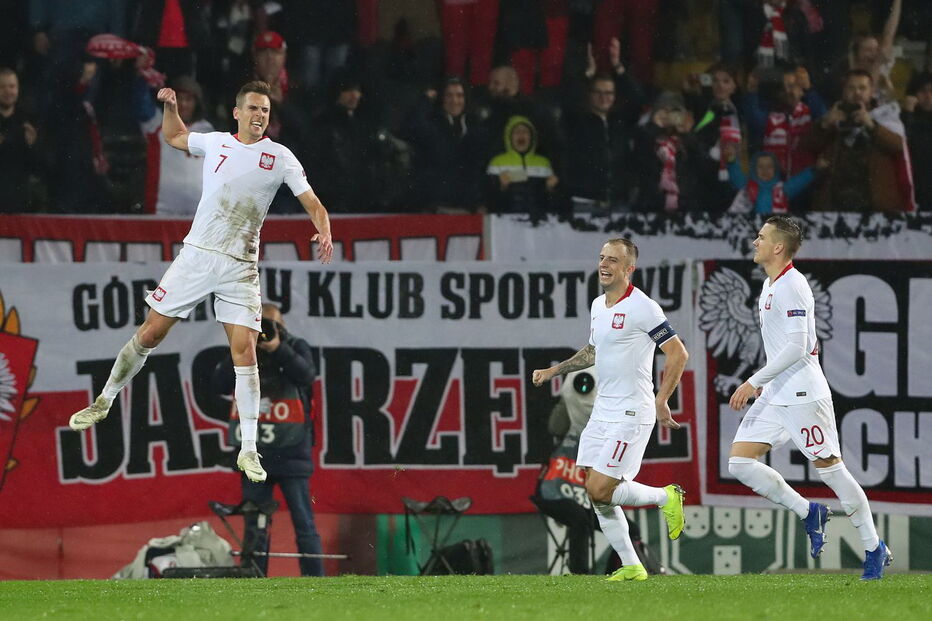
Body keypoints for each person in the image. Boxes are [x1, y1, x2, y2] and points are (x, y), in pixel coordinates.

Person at [68, 80, 334, 485]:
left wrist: (324, 229)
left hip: (240, 266)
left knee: (244, 350)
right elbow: (173, 135)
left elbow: (313, 202)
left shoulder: (280, 157)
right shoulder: (216, 143)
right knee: (151, 333)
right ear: (237, 112)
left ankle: (248, 449)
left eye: (265, 110)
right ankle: (104, 401)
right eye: (254, 109)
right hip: (198, 256)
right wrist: (171, 107)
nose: (260, 116)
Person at [727, 215, 891, 580]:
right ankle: (808, 512)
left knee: (832, 471)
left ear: (778, 247)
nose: (755, 241)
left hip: (802, 393)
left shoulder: (793, 285)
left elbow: (800, 346)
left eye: (761, 237)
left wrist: (753, 381)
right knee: (739, 464)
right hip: (776, 394)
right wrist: (764, 385)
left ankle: (873, 546)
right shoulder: (770, 285)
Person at [532, 238, 689, 582]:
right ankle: (632, 565)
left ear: (629, 268)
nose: (604, 265)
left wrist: (662, 399)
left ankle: (666, 496)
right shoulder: (598, 305)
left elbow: (678, 353)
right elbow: (592, 352)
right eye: (601, 258)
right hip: (603, 412)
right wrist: (553, 371)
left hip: (633, 412)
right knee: (596, 492)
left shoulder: (643, 308)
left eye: (613, 260)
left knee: (601, 489)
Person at [211, 303, 324, 576]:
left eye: (271, 326)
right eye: (258, 326)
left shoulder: (296, 346)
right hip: (254, 452)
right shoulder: (244, 349)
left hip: (292, 452)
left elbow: (307, 376)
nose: (264, 333)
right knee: (255, 522)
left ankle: (315, 579)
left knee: (303, 521)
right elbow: (218, 385)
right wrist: (242, 346)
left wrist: (278, 348)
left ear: (282, 326)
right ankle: (253, 577)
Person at [804, 69, 914, 213]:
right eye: (851, 88)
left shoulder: (885, 115)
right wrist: (825, 124)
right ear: (844, 91)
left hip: (875, 205)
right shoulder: (833, 115)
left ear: (871, 91)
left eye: (862, 88)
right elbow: (807, 145)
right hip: (835, 204)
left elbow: (898, 146)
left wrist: (872, 126)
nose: (857, 93)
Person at [135, 74, 214, 215]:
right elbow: (141, 103)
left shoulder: (208, 130)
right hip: (163, 207)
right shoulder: (158, 123)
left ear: (197, 103)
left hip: (200, 209)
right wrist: (142, 75)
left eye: (188, 99)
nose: (183, 104)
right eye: (179, 99)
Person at [0, 67, 41, 213]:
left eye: (12, 86)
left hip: (19, 202)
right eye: (2, 87)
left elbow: (37, 168)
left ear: (18, 89)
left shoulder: (27, 121)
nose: (8, 91)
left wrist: (32, 145)